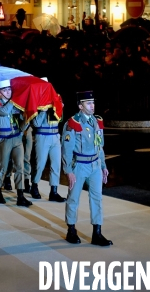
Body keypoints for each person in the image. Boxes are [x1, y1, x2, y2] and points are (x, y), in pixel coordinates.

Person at [61, 91, 112, 247]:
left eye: (93, 102)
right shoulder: (73, 123)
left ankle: (97, 232)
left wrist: (103, 166)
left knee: (97, 198)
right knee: (73, 198)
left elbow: (100, 146)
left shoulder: (97, 122)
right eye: (88, 103)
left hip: (95, 165)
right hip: (79, 166)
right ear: (80, 106)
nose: (92, 106)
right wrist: (68, 171)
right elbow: (66, 150)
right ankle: (71, 230)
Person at [0, 79, 32, 207]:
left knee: (19, 167)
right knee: (2, 166)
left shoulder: (15, 105)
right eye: (5, 90)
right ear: (0, 93)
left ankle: (20, 195)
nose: (8, 92)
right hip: (4, 139)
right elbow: (5, 112)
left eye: (9, 90)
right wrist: (13, 102)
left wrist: (28, 119)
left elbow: (21, 126)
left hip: (17, 138)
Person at [30, 90, 66, 202]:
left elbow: (60, 119)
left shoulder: (56, 99)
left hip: (55, 135)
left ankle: (53, 192)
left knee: (56, 165)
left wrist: (60, 108)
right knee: (40, 164)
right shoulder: (37, 102)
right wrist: (42, 111)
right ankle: (34, 185)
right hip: (42, 135)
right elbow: (35, 123)